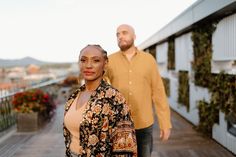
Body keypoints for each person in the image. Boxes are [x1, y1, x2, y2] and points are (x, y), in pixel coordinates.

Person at [105, 24, 172, 157]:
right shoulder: (109, 61)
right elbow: (102, 90)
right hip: (118, 125)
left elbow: (158, 92)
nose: (120, 36)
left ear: (134, 36)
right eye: (117, 34)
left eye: (124, 33)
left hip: (144, 124)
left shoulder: (149, 60)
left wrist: (165, 123)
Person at [63, 44, 137, 157]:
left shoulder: (115, 98)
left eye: (95, 60)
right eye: (83, 60)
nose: (88, 65)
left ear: (105, 64)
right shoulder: (73, 97)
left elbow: (125, 148)